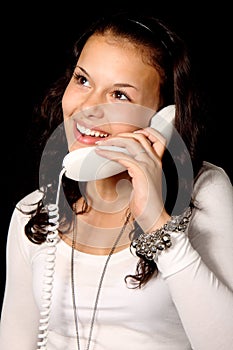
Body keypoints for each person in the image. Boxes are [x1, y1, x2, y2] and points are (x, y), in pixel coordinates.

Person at [0, 10, 233, 350]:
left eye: (120, 95)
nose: (88, 107)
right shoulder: (34, 212)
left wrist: (157, 224)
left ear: (162, 118)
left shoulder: (204, 190)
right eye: (83, 80)